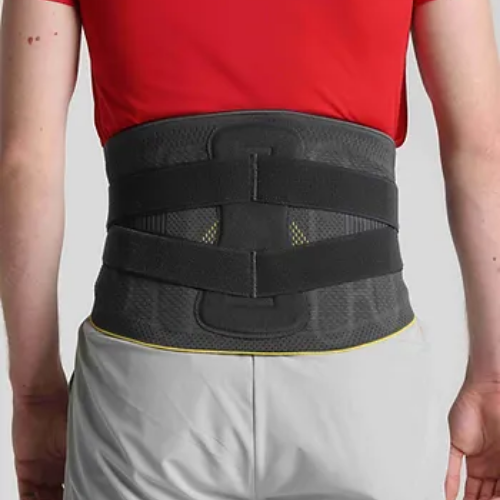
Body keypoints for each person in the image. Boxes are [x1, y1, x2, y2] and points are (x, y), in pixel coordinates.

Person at [1, 0, 500, 498]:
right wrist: (493, 381)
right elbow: (483, 153)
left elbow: (24, 164)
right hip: (362, 386)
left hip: (149, 389)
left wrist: (35, 399)